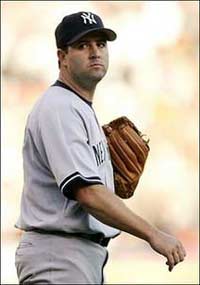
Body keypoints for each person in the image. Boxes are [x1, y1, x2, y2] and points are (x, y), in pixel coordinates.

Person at [15, 11, 186, 284]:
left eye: (101, 44)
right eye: (83, 45)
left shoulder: (79, 107)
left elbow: (92, 191)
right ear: (62, 57)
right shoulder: (60, 106)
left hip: (74, 256)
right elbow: (87, 193)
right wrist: (153, 233)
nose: (95, 52)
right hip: (59, 257)